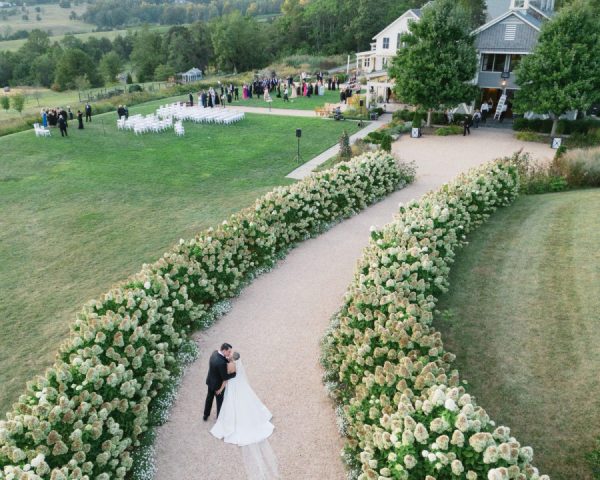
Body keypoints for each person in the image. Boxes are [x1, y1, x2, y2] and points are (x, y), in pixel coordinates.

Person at [210, 351, 274, 446]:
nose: (229, 355)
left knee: (232, 403)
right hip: (241, 385)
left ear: (233, 358)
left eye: (231, 355)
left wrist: (220, 389)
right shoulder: (238, 364)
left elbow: (226, 379)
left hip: (233, 387)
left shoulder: (230, 365)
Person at [204, 343, 238, 421]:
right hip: (218, 386)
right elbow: (225, 377)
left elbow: (221, 359)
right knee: (219, 402)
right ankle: (219, 418)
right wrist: (234, 374)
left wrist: (227, 359)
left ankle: (205, 415)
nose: (230, 353)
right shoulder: (221, 363)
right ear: (224, 350)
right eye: (229, 351)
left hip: (210, 381)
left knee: (209, 398)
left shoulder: (214, 353)